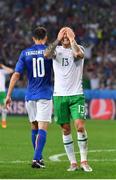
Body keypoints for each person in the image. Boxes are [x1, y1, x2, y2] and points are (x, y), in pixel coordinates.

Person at [44, 27, 92, 172]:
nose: (65, 36)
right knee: (65, 129)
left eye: (68, 34)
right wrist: (58, 39)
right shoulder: (56, 50)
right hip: (59, 96)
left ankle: (84, 161)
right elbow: (46, 54)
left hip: (77, 95)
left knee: (80, 126)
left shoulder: (78, 47)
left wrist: (72, 39)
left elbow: (78, 54)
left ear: (73, 35)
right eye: (63, 35)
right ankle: (73, 163)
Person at [5, 26, 53, 168]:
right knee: (43, 128)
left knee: (34, 127)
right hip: (44, 94)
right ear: (45, 38)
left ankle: (39, 158)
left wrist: (9, 95)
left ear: (33, 38)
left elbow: (16, 75)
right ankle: (36, 159)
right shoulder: (49, 51)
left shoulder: (25, 53)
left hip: (30, 95)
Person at [0, 63, 13, 128]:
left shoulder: (1, 71)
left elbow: (11, 70)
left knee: (4, 107)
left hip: (2, 92)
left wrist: (2, 66)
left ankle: (3, 121)